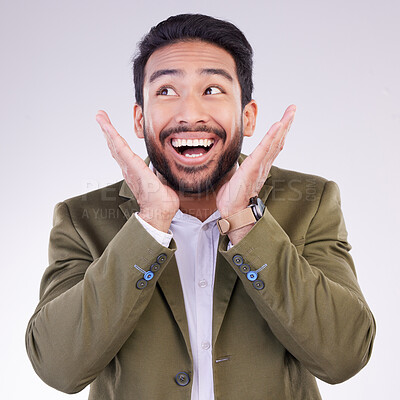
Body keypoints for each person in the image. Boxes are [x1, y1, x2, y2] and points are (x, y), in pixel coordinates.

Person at [26, 13, 375, 400]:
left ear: (248, 116)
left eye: (212, 90)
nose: (190, 114)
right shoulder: (82, 219)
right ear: (140, 119)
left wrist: (246, 222)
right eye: (166, 91)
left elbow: (345, 355)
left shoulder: (311, 202)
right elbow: (58, 367)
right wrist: (150, 225)